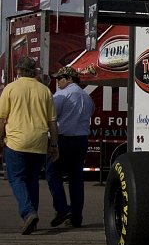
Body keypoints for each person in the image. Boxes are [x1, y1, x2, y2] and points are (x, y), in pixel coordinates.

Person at [0, 57, 59, 235]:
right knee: (32, 180)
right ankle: (31, 220)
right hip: (39, 142)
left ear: (18, 71)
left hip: (16, 141)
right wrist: (54, 145)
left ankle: (28, 213)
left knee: (16, 178)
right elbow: (52, 122)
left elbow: (2, 119)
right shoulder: (44, 91)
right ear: (35, 71)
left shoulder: (11, 88)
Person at [45, 65, 94, 228]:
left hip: (64, 139)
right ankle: (76, 218)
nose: (57, 81)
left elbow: (51, 116)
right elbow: (91, 112)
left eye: (60, 78)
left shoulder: (61, 95)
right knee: (76, 179)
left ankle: (62, 208)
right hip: (81, 140)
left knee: (53, 174)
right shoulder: (86, 97)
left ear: (70, 78)